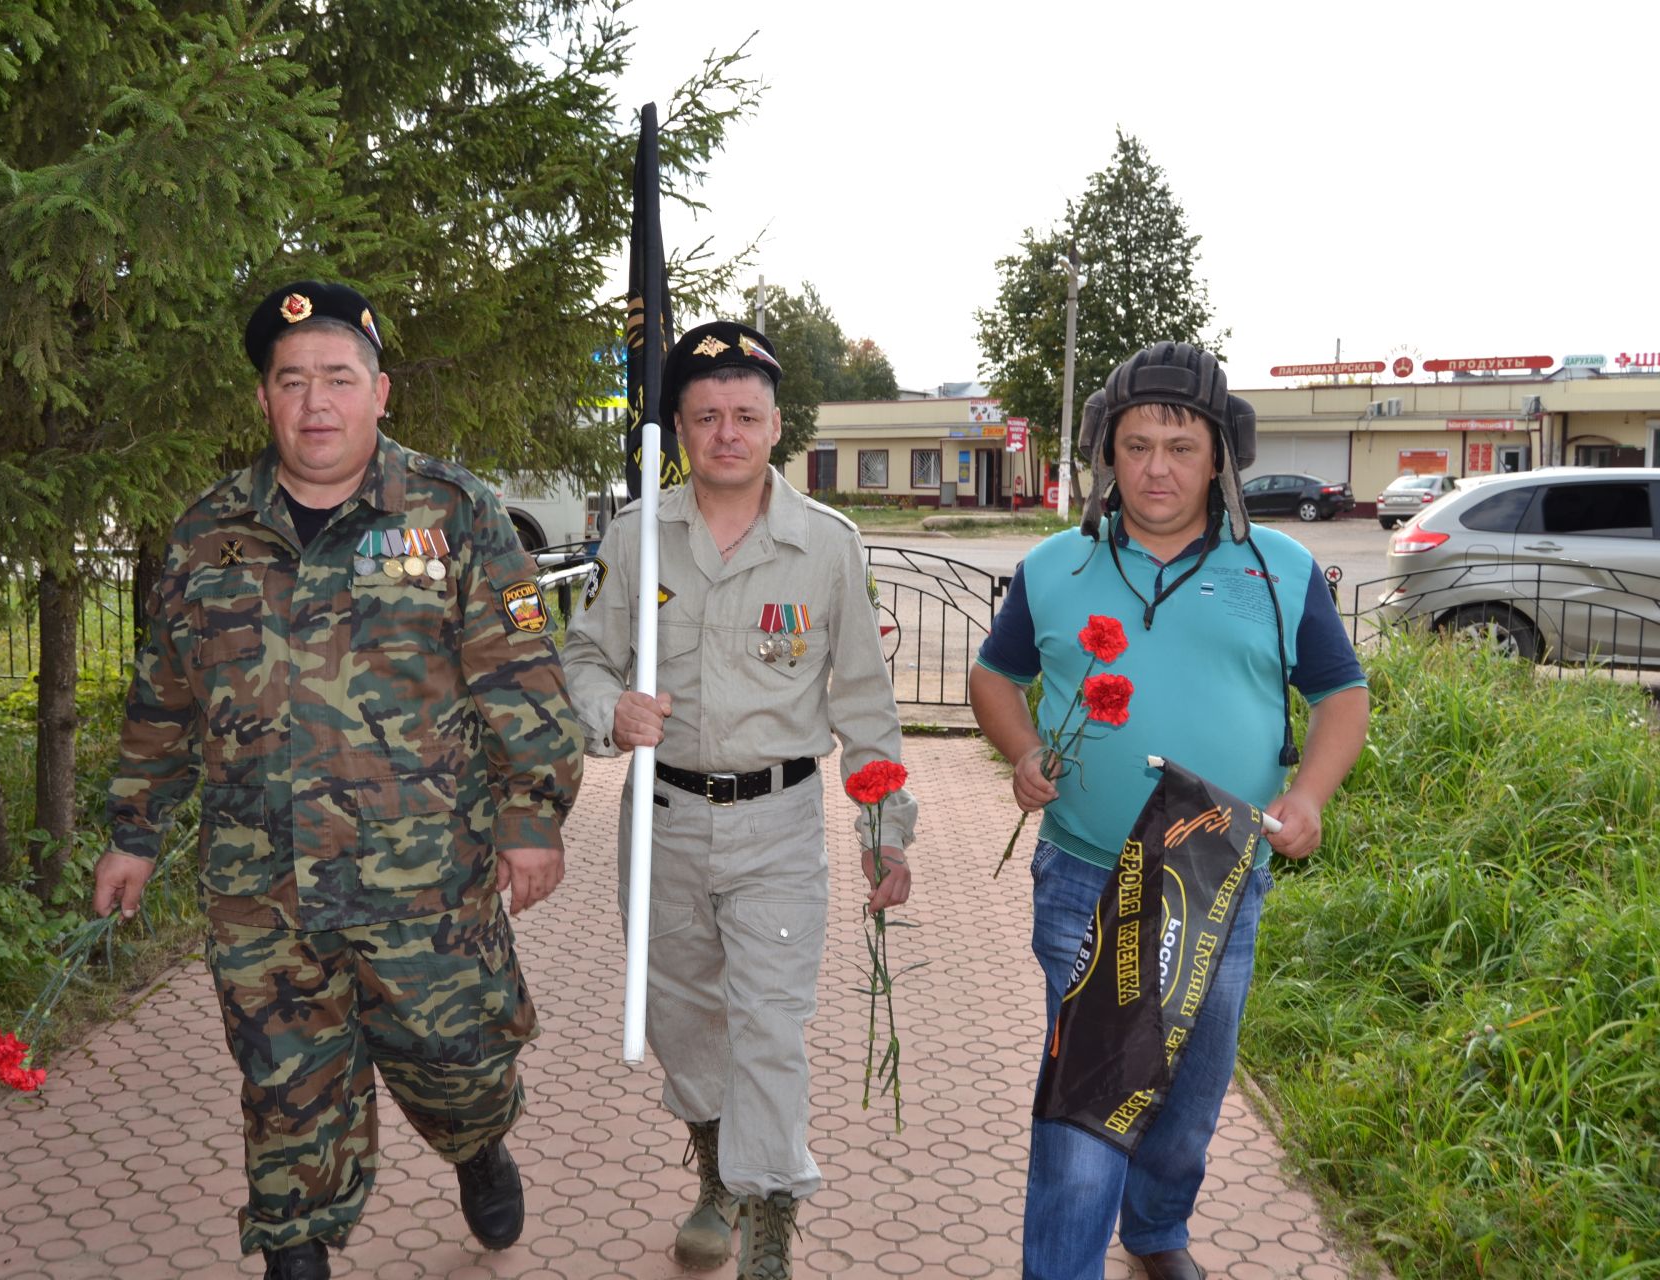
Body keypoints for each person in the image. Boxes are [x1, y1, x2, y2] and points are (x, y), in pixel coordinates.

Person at [92, 280, 585, 1280]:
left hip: (425, 878)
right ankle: (296, 1242)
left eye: (337, 378)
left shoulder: (458, 515)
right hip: (259, 881)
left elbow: (522, 677)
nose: (316, 401)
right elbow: (163, 700)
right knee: (285, 1089)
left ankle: (478, 1141)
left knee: (455, 1065)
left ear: (380, 391)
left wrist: (533, 816)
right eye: (291, 381)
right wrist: (133, 832)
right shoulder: (206, 534)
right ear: (265, 400)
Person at [969, 342, 1369, 1280]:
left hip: (1220, 881)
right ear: (1107, 453)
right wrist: (1022, 750)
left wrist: (1307, 795)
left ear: (1222, 456)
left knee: (1186, 1103)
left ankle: (1154, 1229)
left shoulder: (1281, 569)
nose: (1156, 467)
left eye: (1181, 448)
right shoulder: (1053, 566)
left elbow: (1342, 698)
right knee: (1087, 1110)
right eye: (1136, 444)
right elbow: (996, 677)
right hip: (1085, 878)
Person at [562, 320, 916, 1280]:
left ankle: (767, 1233)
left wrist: (885, 831)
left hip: (778, 827)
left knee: (769, 1028)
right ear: (678, 427)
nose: (728, 433)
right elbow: (583, 658)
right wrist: (610, 711)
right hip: (662, 821)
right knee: (682, 1020)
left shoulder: (827, 548)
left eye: (746, 416)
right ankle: (717, 1169)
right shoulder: (638, 539)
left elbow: (865, 707)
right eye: (707, 415)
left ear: (775, 426)